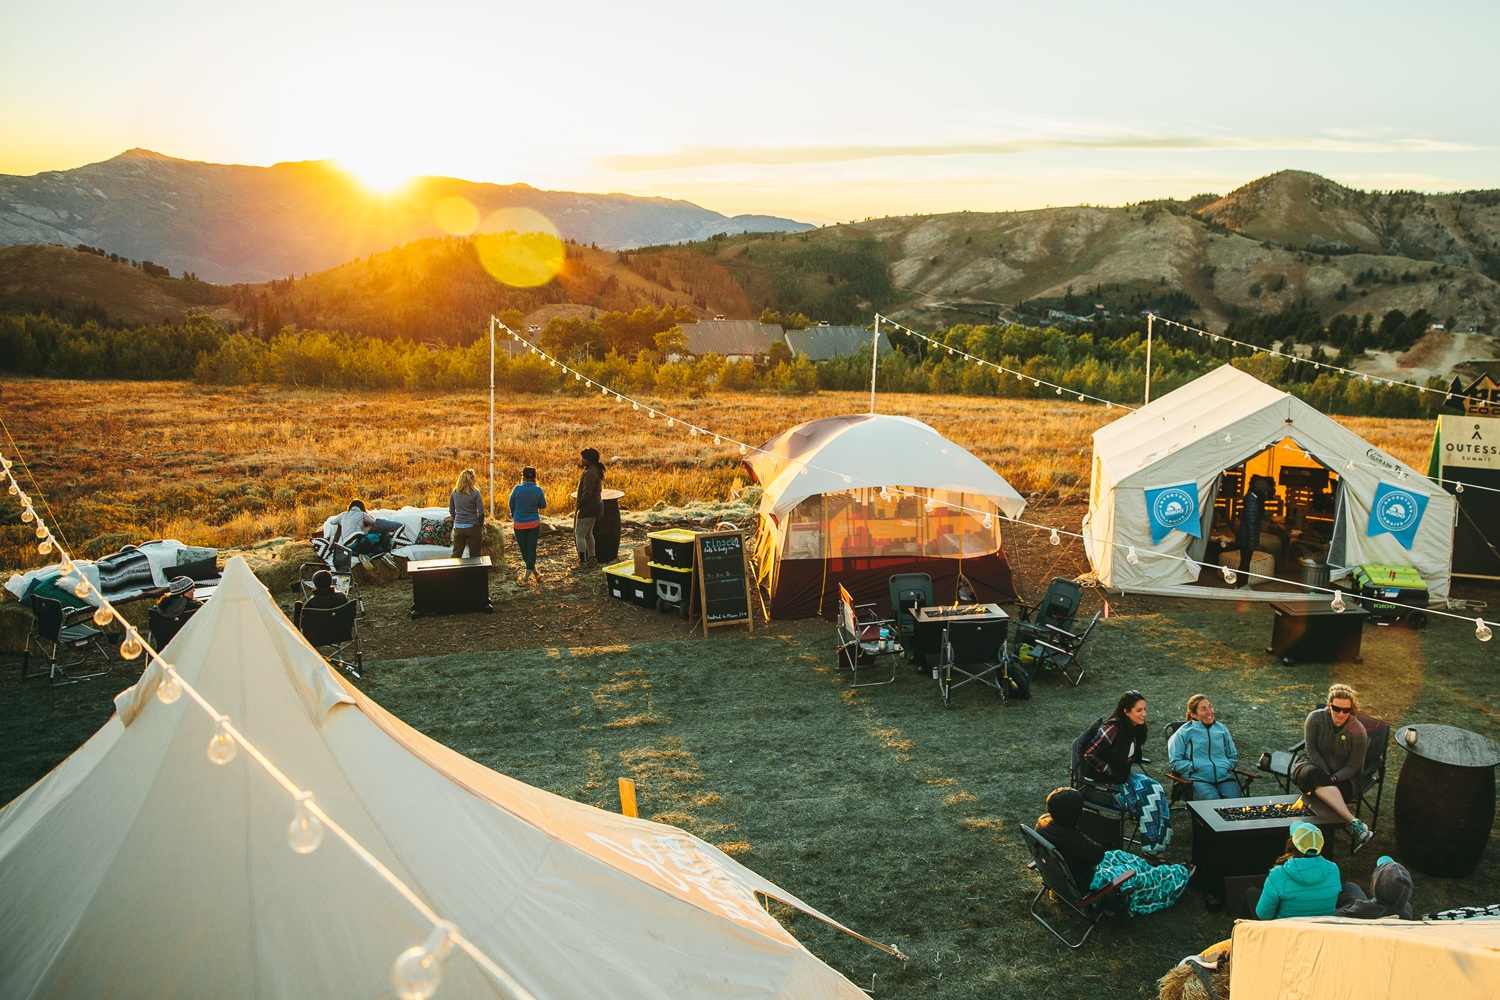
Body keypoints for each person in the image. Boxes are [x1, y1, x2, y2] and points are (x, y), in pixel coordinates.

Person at [1035, 787, 1191, 916]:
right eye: (1078, 811)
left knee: (1119, 854)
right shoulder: (1071, 837)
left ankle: (1155, 869)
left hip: (1066, 876)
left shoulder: (1043, 823)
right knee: (1132, 873)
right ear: (1071, 815)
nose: (1081, 813)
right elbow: (1097, 855)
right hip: (1087, 885)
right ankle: (1176, 875)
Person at [1084, 690, 1173, 860]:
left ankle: (1159, 843)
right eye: (1139, 710)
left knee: (1156, 789)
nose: (1144, 714)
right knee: (1146, 800)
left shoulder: (1133, 728)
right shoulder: (1112, 728)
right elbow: (1089, 754)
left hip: (1122, 776)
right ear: (1126, 711)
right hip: (1101, 784)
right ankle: (1152, 850)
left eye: (1144, 709)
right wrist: (1108, 770)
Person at [1293, 683, 1374, 852]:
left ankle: (1312, 843)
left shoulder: (1358, 731)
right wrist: (1326, 774)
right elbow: (1311, 749)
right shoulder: (1315, 719)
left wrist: (1334, 778)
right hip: (1313, 767)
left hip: (1344, 779)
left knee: (1320, 791)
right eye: (1337, 708)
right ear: (1329, 705)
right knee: (1313, 775)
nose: (1341, 714)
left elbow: (1352, 767)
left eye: (1347, 710)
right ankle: (1352, 821)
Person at [1240, 822, 1341, 920]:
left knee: (1251, 893)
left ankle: (1240, 933)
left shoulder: (1279, 874)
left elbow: (1264, 916)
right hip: (1321, 930)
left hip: (1287, 933)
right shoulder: (1333, 869)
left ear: (1291, 843)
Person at [1168, 694, 1241, 800]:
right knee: (1212, 801)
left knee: (1236, 803)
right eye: (1203, 709)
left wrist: (1226, 765)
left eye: (1210, 707)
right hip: (1197, 780)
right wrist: (1195, 766)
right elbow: (1175, 762)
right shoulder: (1184, 732)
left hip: (1223, 778)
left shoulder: (1222, 729)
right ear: (1193, 714)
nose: (1209, 712)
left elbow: (1233, 756)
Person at [1336, 855, 1414, 919]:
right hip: (1370, 907)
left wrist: (1348, 903)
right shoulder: (1406, 909)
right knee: (1351, 887)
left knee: (1349, 887)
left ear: (1377, 885)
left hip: (1358, 914)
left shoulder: (1362, 910)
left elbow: (1332, 916)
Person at [1233, 474, 1276, 582]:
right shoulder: (1252, 502)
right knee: (1245, 563)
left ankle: (1242, 584)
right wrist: (1252, 543)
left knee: (1245, 562)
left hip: (1246, 538)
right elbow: (1251, 525)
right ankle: (1241, 585)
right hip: (1246, 539)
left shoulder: (1252, 499)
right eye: (1265, 491)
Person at [508, 466, 547, 584]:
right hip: (534, 523)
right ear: (534, 478)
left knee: (524, 550)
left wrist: (514, 515)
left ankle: (525, 578)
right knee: (532, 549)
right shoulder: (538, 490)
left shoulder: (517, 489)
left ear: (523, 476)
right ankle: (535, 573)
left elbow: (511, 503)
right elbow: (543, 505)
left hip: (519, 523)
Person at [574, 447, 605, 569]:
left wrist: (579, 504)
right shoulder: (595, 470)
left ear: (589, 460)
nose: (582, 461)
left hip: (588, 507)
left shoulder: (590, 473)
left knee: (579, 534)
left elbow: (587, 493)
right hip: (596, 506)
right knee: (588, 534)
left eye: (584, 458)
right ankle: (592, 559)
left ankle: (583, 563)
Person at [449, 468, 485, 559]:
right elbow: (481, 512)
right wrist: (481, 524)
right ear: (471, 480)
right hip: (473, 525)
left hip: (459, 526)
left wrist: (456, 518)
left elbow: (451, 510)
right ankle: (473, 573)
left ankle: (453, 572)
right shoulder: (476, 493)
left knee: (456, 553)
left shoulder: (454, 492)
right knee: (475, 555)